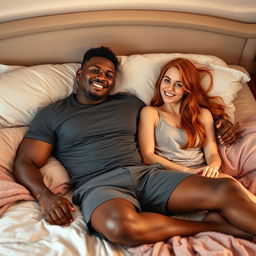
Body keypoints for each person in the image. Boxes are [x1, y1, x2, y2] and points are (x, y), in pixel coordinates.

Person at [13, 46, 256, 247]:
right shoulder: (53, 114)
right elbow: (26, 161)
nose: (102, 77)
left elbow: (177, 111)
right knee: (121, 228)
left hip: (147, 176)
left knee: (225, 188)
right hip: (100, 184)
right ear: (79, 74)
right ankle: (216, 227)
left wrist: (221, 121)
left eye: (109, 74)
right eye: (95, 70)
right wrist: (44, 196)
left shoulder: (129, 103)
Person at [138, 57, 256, 203]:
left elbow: (212, 152)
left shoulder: (203, 115)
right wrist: (188, 172)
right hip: (171, 175)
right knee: (230, 186)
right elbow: (148, 156)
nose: (169, 88)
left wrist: (212, 167)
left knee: (231, 186)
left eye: (179, 84)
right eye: (167, 80)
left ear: (188, 89)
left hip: (202, 173)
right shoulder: (150, 113)